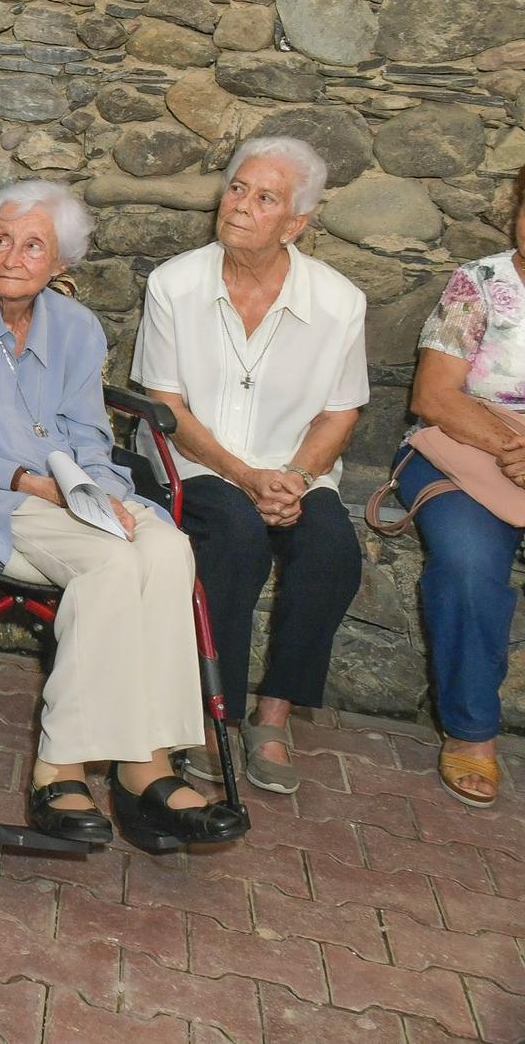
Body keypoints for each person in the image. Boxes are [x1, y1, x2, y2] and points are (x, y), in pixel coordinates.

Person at [0, 181, 247, 852]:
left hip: (71, 490)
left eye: (32, 246)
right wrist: (32, 481)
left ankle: (147, 761)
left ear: (61, 264)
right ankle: (60, 767)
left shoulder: (79, 330)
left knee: (171, 548)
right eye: (2, 240)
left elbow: (90, 435)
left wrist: (101, 489)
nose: (10, 257)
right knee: (113, 563)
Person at [133, 138, 367, 795]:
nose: (239, 206)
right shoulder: (175, 284)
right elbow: (166, 406)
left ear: (297, 224)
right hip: (191, 462)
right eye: (237, 188)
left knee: (330, 550)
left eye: (265, 198)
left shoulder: (340, 302)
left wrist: (293, 477)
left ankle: (273, 716)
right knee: (235, 537)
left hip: (293, 469)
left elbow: (340, 414)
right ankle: (213, 718)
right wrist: (245, 475)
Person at [398, 165, 525, 807]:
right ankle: (472, 730)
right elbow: (434, 395)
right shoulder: (480, 285)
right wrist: (511, 447)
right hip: (466, 452)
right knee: (470, 562)